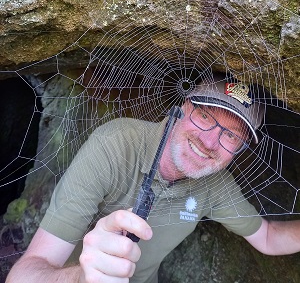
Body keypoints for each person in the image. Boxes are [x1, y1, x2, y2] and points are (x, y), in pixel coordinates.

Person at [6, 74, 300, 283]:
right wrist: (81, 277)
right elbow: (25, 274)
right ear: (184, 107)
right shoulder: (116, 145)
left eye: (231, 136)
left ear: (240, 150)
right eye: (206, 117)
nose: (210, 142)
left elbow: (268, 237)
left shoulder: (215, 183)